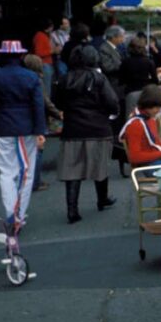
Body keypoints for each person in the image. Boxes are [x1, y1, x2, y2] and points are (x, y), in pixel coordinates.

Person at [0, 40, 46, 233]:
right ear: (20, 56)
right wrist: (40, 131)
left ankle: (11, 211)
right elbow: (38, 106)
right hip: (26, 127)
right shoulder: (31, 77)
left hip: (4, 126)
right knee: (26, 171)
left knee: (6, 172)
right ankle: (17, 213)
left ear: (1, 56)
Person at [54, 46, 119, 224]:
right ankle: (102, 199)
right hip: (98, 127)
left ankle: (72, 210)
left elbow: (58, 102)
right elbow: (112, 102)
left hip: (73, 129)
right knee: (100, 166)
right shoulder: (98, 78)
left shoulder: (64, 79)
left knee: (72, 170)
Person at [22, 54, 64, 191]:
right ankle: (35, 182)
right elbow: (45, 101)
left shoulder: (20, 78)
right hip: (36, 117)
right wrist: (58, 114)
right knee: (37, 150)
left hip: (20, 117)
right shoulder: (37, 80)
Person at [121, 36, 158, 117]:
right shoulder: (149, 61)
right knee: (148, 117)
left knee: (131, 117)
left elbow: (121, 79)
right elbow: (155, 80)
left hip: (131, 91)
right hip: (146, 92)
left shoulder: (125, 62)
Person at [32, 18, 55, 95]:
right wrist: (53, 51)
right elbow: (38, 52)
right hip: (44, 65)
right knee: (46, 90)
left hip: (47, 64)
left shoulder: (43, 36)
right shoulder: (40, 36)